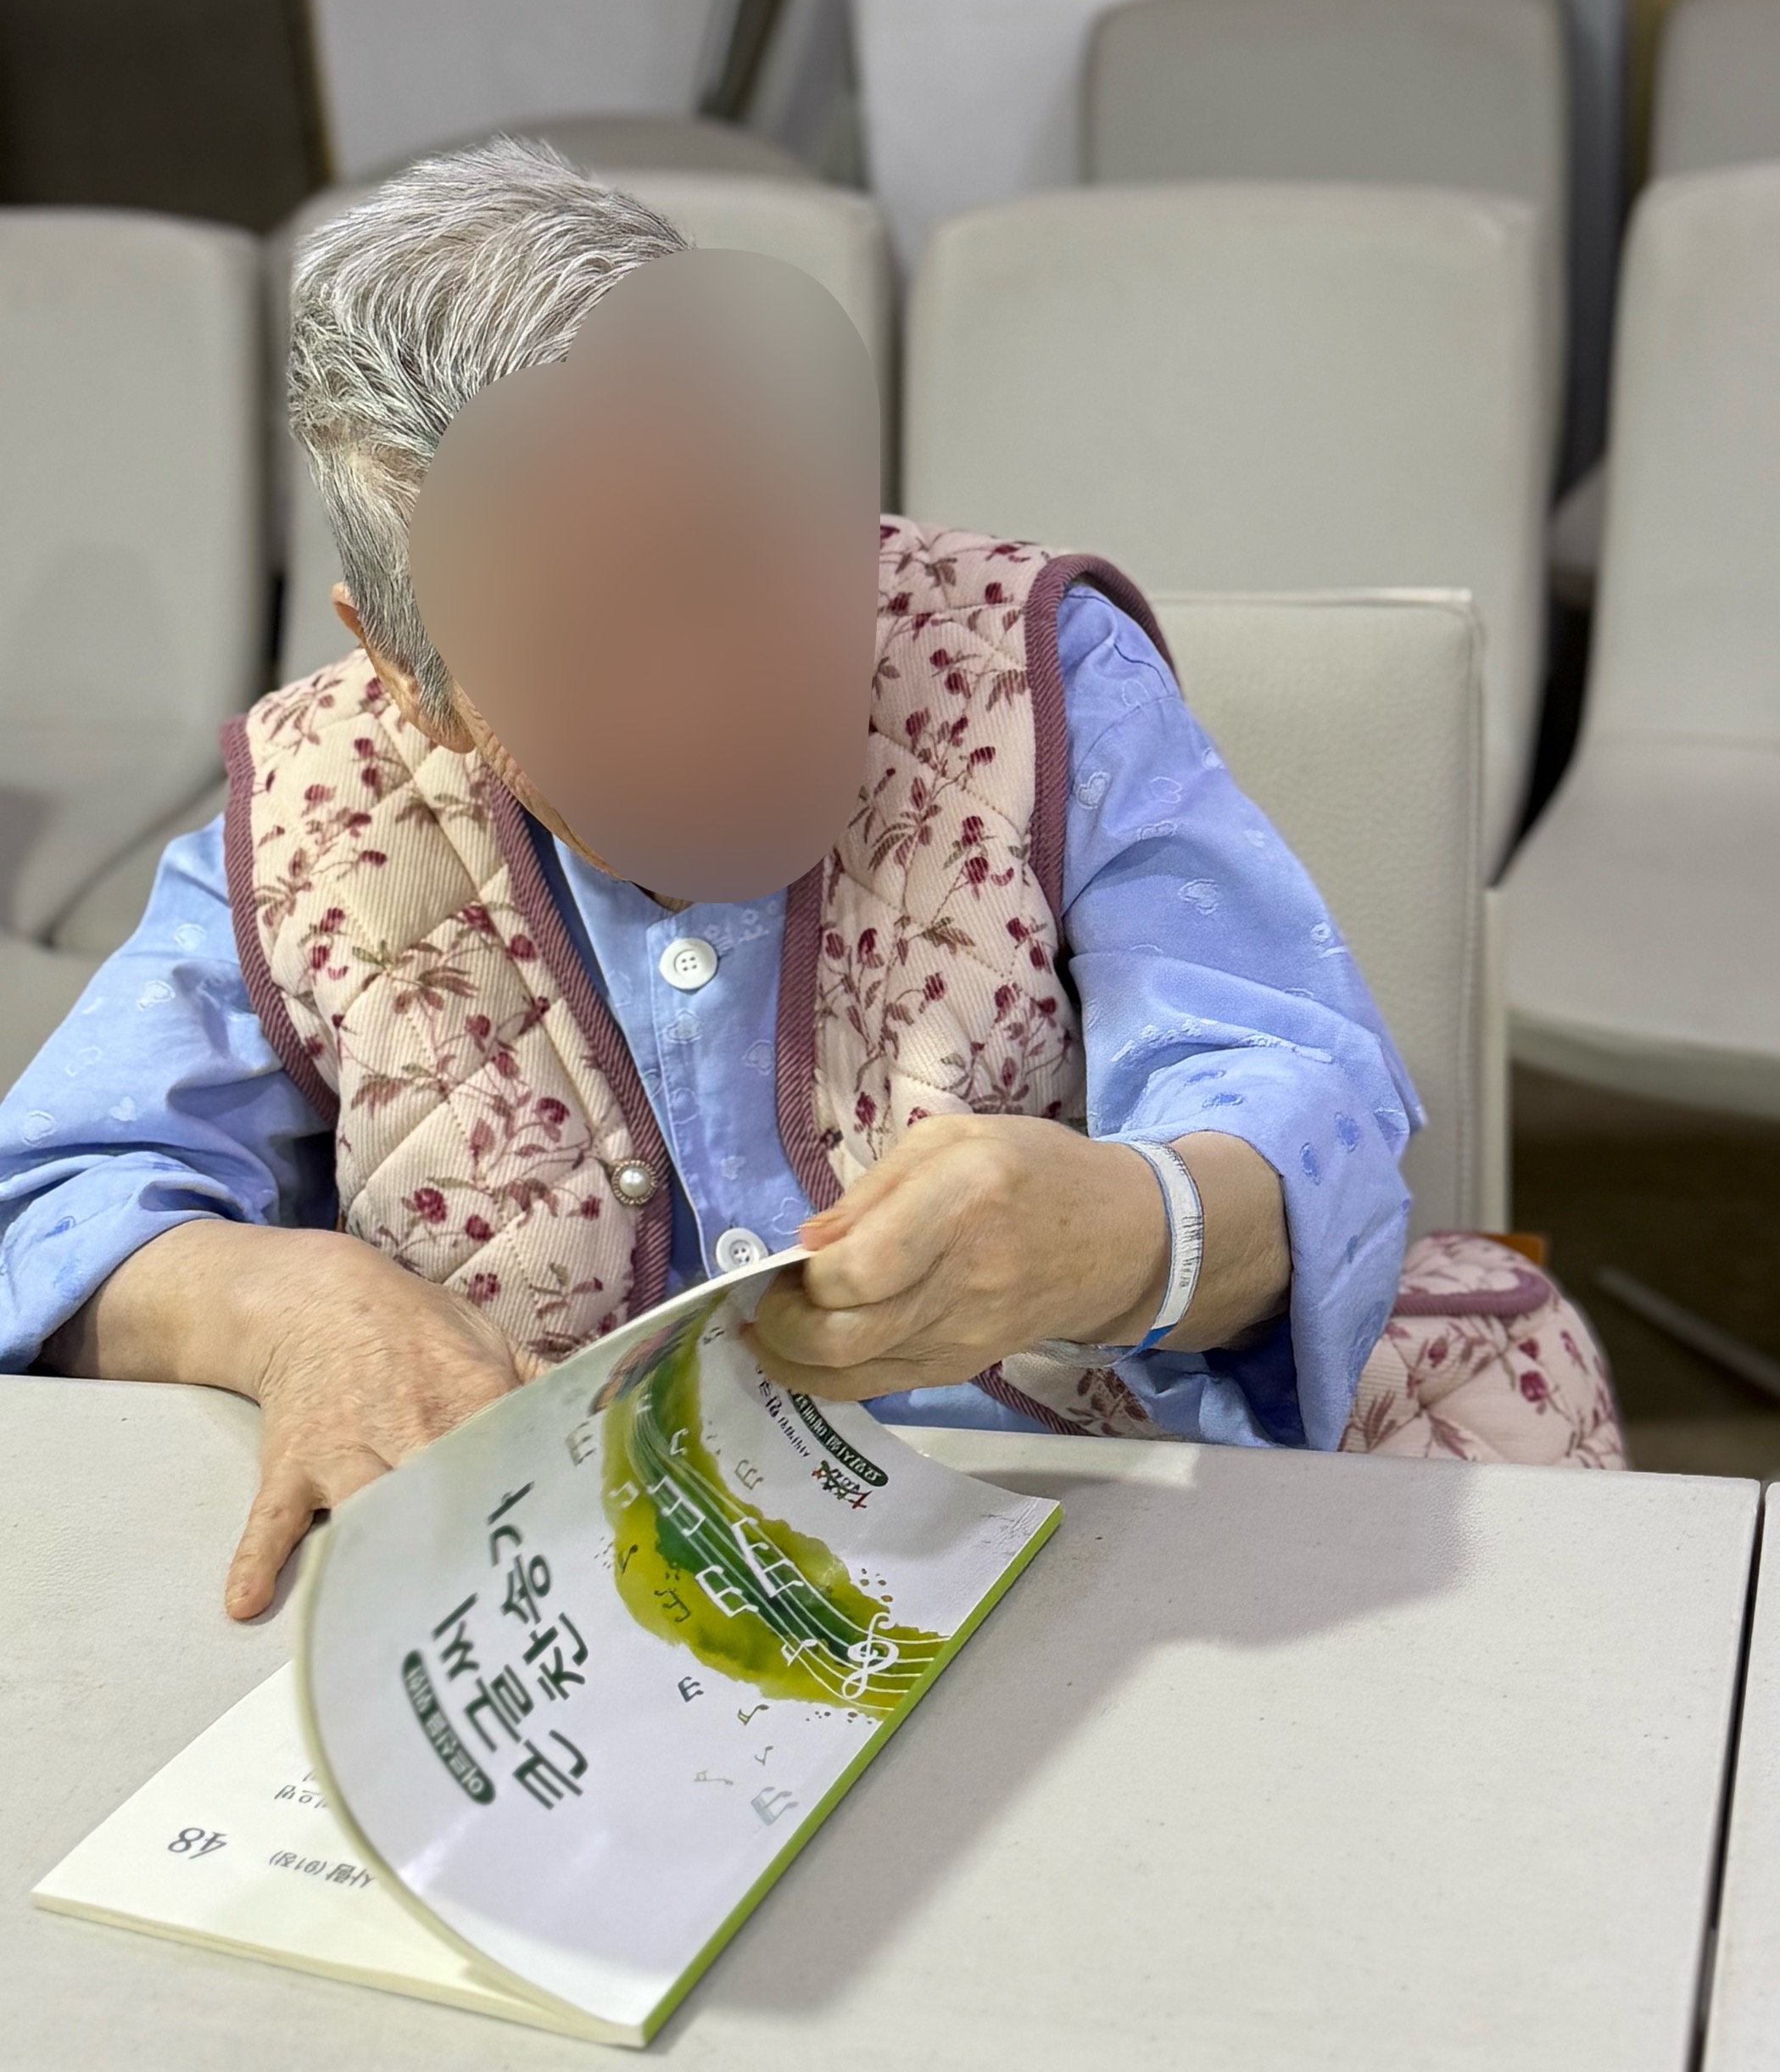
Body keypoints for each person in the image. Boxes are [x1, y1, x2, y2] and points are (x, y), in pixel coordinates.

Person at [0, 142, 1621, 1622]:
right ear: (411, 675)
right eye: (577, 646)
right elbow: (56, 1197)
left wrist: (1125, 1231)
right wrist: (294, 1307)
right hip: (610, 1613)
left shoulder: (1032, 676)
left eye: (734, 553)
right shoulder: (314, 809)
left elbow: (1292, 1093)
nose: (705, 695)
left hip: (1094, 1540)